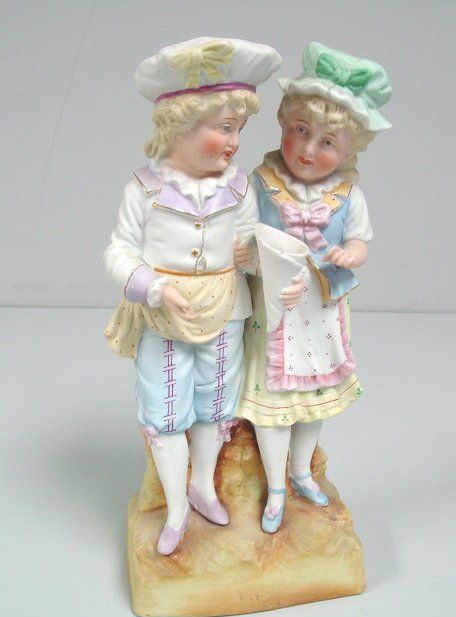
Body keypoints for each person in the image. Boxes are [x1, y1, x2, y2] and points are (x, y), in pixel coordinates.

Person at [104, 37, 281, 554]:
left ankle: (202, 484)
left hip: (225, 306)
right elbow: (118, 251)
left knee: (215, 400)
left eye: (239, 129)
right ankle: (176, 508)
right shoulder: (144, 190)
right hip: (163, 315)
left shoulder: (239, 187)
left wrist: (256, 255)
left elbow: (251, 244)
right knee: (166, 407)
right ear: (179, 126)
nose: (235, 142)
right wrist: (155, 287)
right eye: (225, 128)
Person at [237, 42, 392, 533]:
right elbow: (241, 243)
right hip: (273, 310)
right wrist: (256, 264)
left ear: (349, 150)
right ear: (283, 124)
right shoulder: (260, 183)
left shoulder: (348, 194)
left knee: (313, 398)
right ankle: (275, 486)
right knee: (273, 403)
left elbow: (359, 241)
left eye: (327, 142)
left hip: (321, 309)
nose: (307, 149)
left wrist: (350, 254)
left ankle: (301, 471)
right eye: (300, 131)